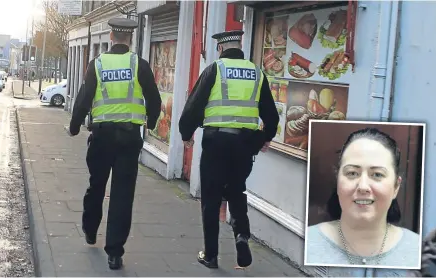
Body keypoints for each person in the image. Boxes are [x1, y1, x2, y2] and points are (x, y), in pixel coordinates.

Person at [178, 30, 279, 269]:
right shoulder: (257, 73)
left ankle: (211, 255)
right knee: (236, 190)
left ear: (221, 48)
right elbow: (271, 115)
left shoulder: (215, 69)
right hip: (244, 144)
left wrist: (186, 134)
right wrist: (266, 137)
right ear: (240, 47)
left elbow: (193, 105)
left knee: (211, 198)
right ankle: (241, 236)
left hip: (216, 143)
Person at [66, 17, 161, 270]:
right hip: (130, 138)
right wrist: (149, 124)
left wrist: (74, 126)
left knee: (96, 184)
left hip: (102, 137)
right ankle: (115, 253)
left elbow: (84, 97)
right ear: (129, 38)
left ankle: (89, 228)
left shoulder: (96, 64)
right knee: (122, 194)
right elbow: (154, 99)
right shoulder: (139, 65)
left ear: (110, 37)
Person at [305, 128, 421, 276]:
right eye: (352, 173)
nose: (363, 187)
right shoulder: (307, 243)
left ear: (396, 187)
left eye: (377, 174)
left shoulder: (420, 252)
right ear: (338, 180)